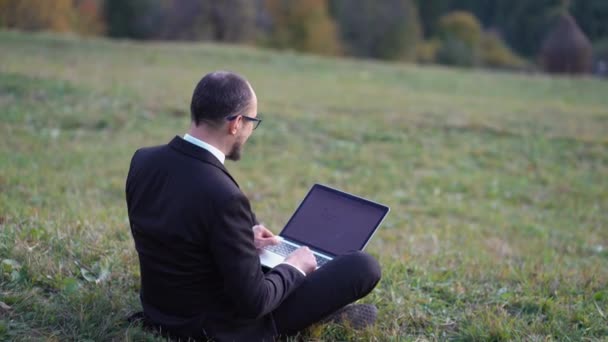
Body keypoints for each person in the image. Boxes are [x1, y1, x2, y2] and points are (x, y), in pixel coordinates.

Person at [125, 71, 381, 341]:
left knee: (277, 263)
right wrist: (294, 266)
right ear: (235, 123)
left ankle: (315, 304)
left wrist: (239, 240)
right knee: (362, 267)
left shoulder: (143, 161)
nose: (249, 131)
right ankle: (318, 312)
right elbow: (254, 302)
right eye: (252, 122)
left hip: (160, 310)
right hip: (212, 327)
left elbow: (180, 234)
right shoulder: (222, 195)